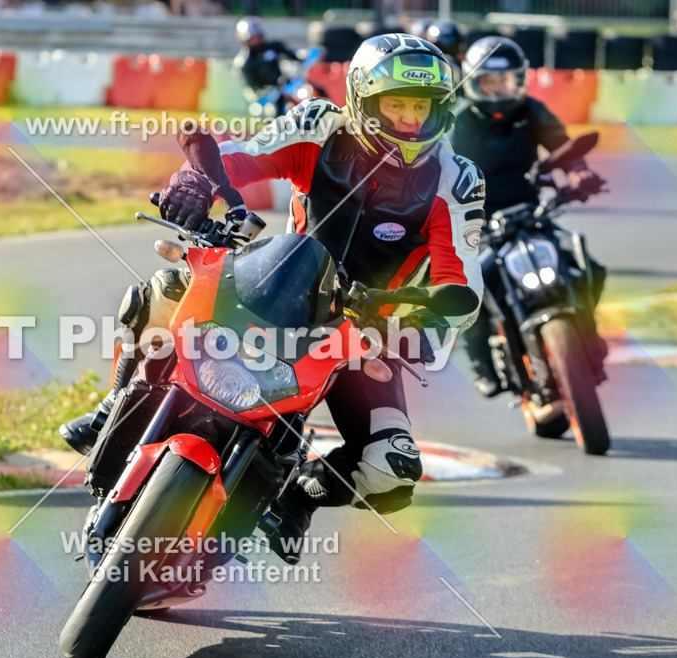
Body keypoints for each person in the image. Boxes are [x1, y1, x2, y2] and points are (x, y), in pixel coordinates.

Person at [61, 34, 486, 564]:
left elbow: (462, 282)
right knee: (166, 288)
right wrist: (194, 184)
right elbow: (235, 159)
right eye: (396, 103)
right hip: (281, 285)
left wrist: (425, 323)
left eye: (421, 106)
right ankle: (114, 405)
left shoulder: (457, 180)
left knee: (392, 469)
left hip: (363, 328)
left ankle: (297, 496)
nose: (409, 119)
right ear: (362, 99)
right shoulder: (318, 127)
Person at [450, 36, 607, 397]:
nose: (499, 90)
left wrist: (579, 174)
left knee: (589, 267)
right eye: (489, 82)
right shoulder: (459, 119)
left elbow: (563, 147)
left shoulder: (532, 111)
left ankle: (588, 339)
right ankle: (482, 363)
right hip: (477, 220)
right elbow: (438, 168)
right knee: (470, 288)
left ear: (520, 80)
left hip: (530, 213)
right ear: (472, 82)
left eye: (506, 81)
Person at [232, 16, 303, 114]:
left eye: (258, 37)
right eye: (252, 38)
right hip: (268, 97)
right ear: (245, 40)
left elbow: (295, 56)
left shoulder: (273, 46)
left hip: (286, 86)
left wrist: (301, 60)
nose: (256, 41)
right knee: (276, 111)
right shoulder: (244, 62)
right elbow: (250, 88)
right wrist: (265, 95)